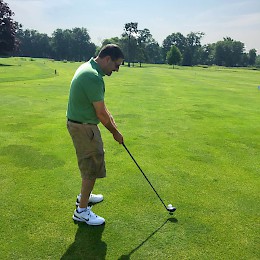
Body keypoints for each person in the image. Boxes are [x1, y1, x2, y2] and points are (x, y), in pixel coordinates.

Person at [66, 44, 124, 225]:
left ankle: (86, 196)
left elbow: (102, 108)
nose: (117, 69)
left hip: (82, 124)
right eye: (117, 65)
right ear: (107, 59)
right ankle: (81, 211)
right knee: (91, 167)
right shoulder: (93, 76)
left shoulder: (89, 68)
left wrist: (114, 125)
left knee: (92, 162)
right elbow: (100, 114)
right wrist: (115, 133)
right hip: (83, 127)